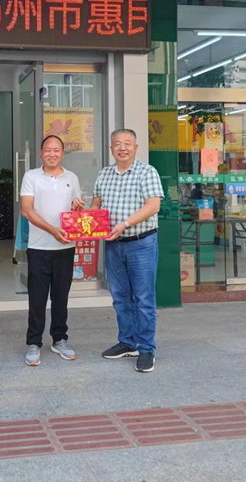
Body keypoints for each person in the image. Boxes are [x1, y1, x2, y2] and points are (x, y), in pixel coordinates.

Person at [91, 129, 164, 373]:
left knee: (143, 299)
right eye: (117, 144)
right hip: (113, 245)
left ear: (136, 147)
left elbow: (153, 206)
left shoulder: (147, 172)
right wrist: (84, 213)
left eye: (127, 144)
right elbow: (97, 205)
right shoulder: (104, 174)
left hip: (141, 243)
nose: (122, 148)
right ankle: (128, 342)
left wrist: (125, 224)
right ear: (111, 148)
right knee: (120, 297)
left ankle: (146, 349)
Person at [20, 135, 84, 366]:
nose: (52, 154)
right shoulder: (31, 177)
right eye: (48, 150)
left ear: (63, 153)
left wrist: (77, 209)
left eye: (56, 150)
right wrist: (52, 230)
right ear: (41, 153)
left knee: (61, 297)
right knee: (37, 298)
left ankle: (59, 339)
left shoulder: (72, 178)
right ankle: (34, 343)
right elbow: (27, 210)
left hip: (66, 247)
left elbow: (76, 213)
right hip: (39, 247)